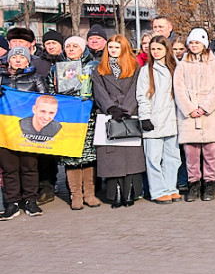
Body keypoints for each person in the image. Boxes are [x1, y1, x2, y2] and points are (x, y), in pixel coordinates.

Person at [173, 28, 215, 202]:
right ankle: (193, 184)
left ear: (204, 44)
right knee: (191, 154)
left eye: (198, 42)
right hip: (189, 116)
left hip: (209, 115)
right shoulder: (182, 64)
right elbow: (178, 89)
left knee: (211, 152)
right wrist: (189, 108)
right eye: (192, 43)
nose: (194, 46)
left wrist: (204, 107)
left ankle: (210, 184)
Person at [92, 35, 145, 208]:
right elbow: (98, 91)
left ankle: (131, 191)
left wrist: (126, 109)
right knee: (111, 157)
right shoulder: (99, 69)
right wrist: (110, 108)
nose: (113, 50)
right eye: (111, 47)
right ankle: (115, 193)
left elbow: (136, 89)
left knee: (131, 156)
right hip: (108, 115)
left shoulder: (135, 67)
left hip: (129, 114)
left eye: (117, 47)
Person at [52, 36, 100, 210]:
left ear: (83, 48)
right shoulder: (55, 69)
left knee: (89, 157)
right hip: (68, 118)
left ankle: (89, 193)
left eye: (75, 46)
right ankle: (75, 195)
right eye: (68, 46)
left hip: (88, 116)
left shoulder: (93, 66)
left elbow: (100, 89)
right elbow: (50, 93)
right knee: (71, 158)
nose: (71, 49)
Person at [0, 46, 48, 220]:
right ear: (8, 60)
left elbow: (46, 101)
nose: (18, 60)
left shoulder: (36, 78)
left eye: (22, 57)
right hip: (5, 131)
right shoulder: (0, 78)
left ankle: (30, 200)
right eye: (14, 57)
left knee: (29, 166)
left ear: (28, 60)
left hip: (28, 130)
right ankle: (12, 203)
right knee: (9, 168)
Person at [137, 35, 181, 204]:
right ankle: (158, 190)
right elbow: (142, 96)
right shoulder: (146, 70)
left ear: (166, 50)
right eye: (153, 49)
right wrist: (145, 117)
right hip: (154, 120)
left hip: (172, 119)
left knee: (173, 157)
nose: (155, 52)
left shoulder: (175, 67)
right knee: (154, 158)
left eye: (159, 49)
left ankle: (171, 187)